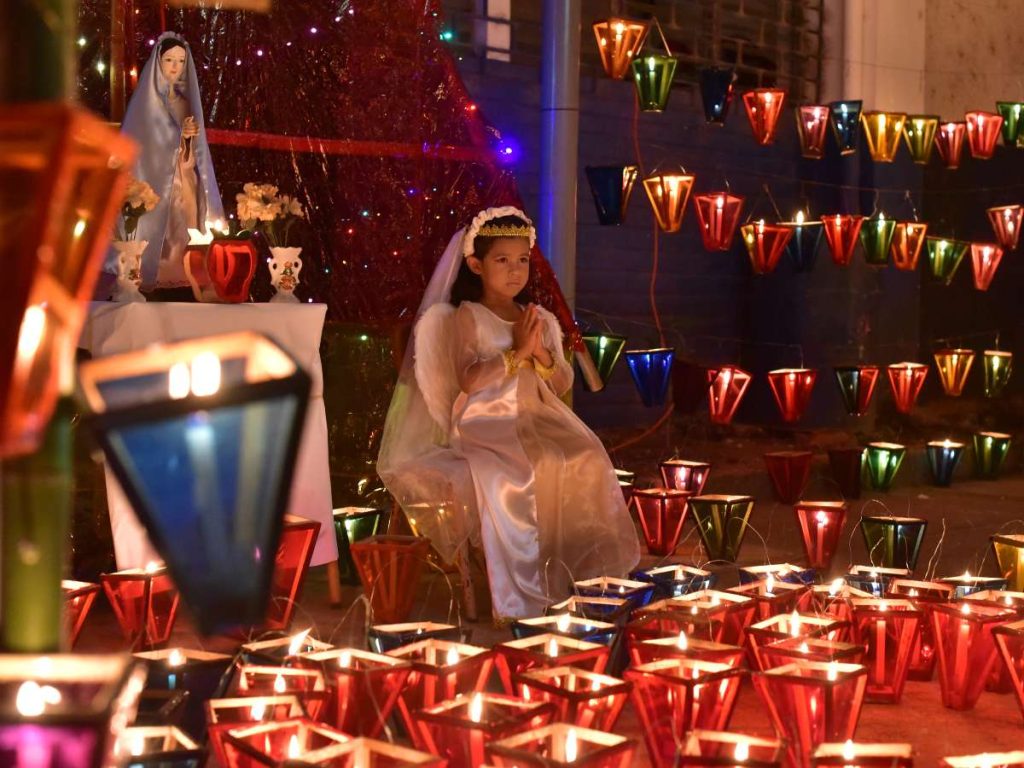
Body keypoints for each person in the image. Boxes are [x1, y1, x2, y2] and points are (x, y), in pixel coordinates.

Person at [377, 206, 640, 620]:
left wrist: (542, 355)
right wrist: (516, 353)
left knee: (583, 456)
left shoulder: (532, 316)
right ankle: (523, 593)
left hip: (537, 418)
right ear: (476, 265)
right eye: (502, 260)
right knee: (515, 475)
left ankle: (576, 575)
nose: (515, 271)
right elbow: (469, 380)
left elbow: (561, 384)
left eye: (522, 260)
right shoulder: (469, 316)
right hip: (487, 423)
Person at [107, 32, 224, 293]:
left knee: (184, 226)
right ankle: (148, 275)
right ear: (158, 62)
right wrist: (176, 135)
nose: (175, 66)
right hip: (154, 181)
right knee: (157, 225)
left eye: (181, 61)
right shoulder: (145, 104)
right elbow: (143, 143)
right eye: (169, 59)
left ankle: (182, 278)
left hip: (182, 179)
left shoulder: (184, 104)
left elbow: (191, 153)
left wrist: (186, 143)